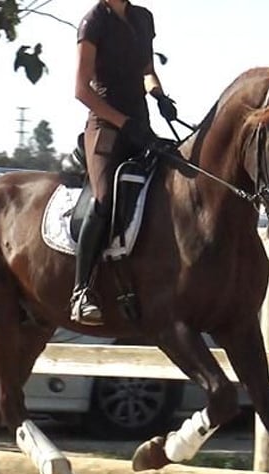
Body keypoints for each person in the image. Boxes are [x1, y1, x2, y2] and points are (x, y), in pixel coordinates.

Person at [71, 0, 177, 326]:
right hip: (105, 127)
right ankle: (82, 291)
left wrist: (159, 96)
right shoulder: (93, 22)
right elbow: (81, 90)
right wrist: (120, 121)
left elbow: (147, 71)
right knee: (104, 200)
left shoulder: (143, 18)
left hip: (140, 124)